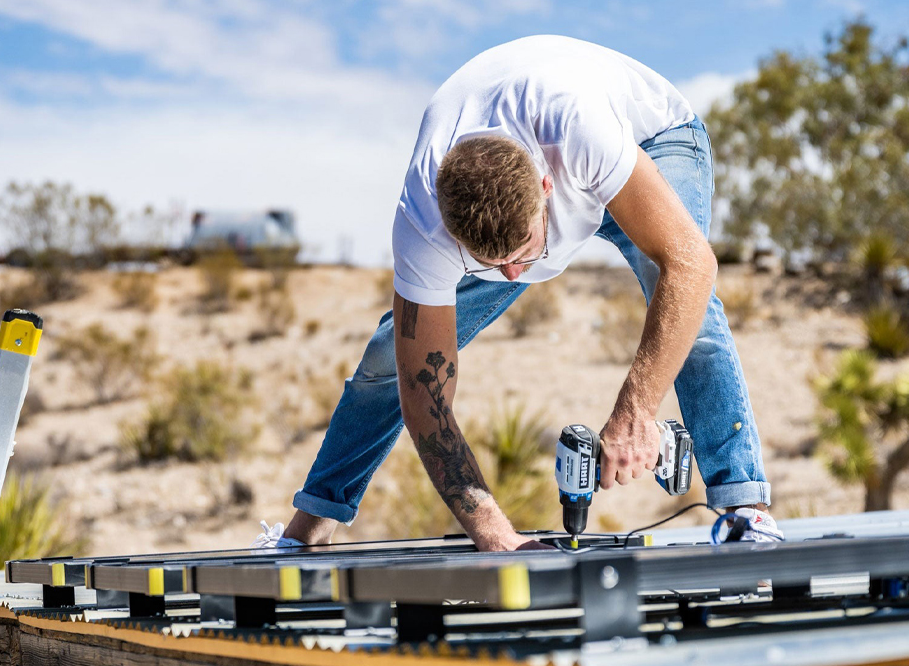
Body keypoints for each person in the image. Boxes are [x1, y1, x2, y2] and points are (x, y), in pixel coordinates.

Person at [255, 35, 781, 552]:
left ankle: (746, 510)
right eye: (492, 262)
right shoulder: (421, 224)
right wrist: (496, 537)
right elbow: (422, 398)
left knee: (685, 300)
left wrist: (637, 409)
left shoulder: (580, 133)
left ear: (548, 188)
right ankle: (311, 524)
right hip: (546, 173)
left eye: (524, 253)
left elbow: (692, 265)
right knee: (389, 359)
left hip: (652, 137)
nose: (512, 276)